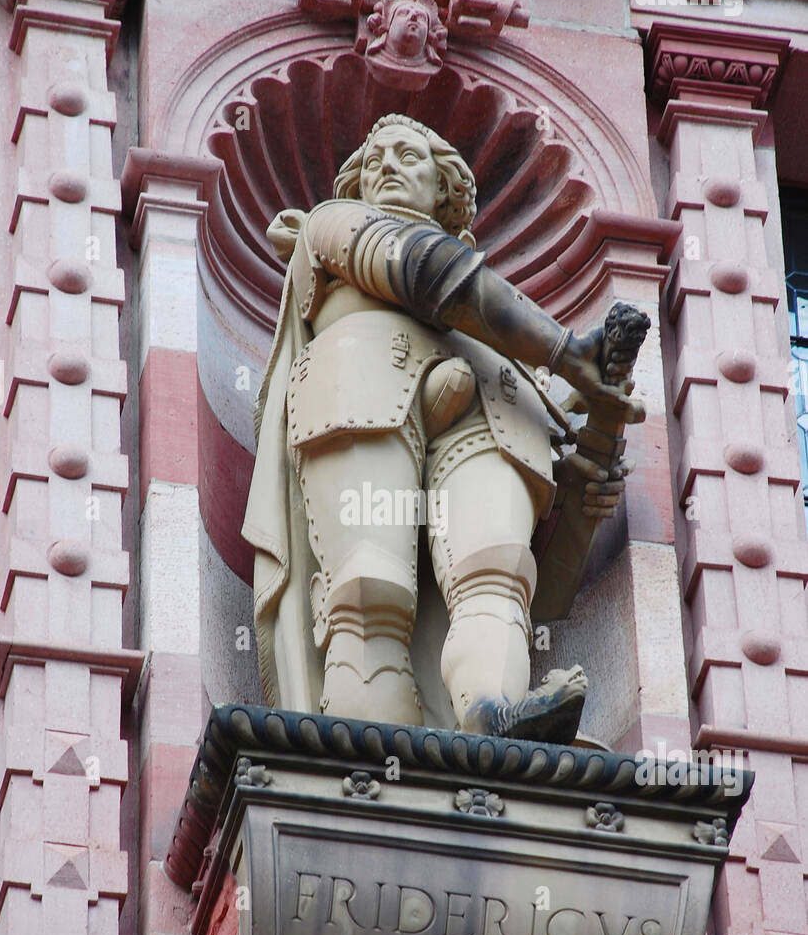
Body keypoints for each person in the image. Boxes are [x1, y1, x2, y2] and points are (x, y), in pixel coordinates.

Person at [241, 114, 644, 742]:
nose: (386, 167)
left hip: (493, 403)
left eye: (407, 155)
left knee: (498, 570)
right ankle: (369, 755)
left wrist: (585, 460)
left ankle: (493, 717)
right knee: (368, 585)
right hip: (362, 387)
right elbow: (426, 274)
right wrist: (568, 354)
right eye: (373, 161)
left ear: (445, 187)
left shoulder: (504, 327)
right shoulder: (333, 227)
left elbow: (553, 568)